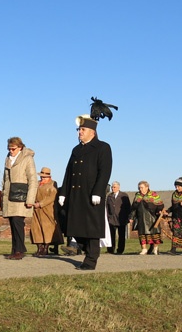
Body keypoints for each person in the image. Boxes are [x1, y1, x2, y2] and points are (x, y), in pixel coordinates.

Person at [58, 115, 112, 270]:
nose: (79, 132)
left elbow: (105, 172)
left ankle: (90, 260)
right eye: (78, 129)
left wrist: (98, 191)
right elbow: (69, 172)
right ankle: (88, 251)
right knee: (75, 226)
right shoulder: (76, 149)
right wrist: (63, 192)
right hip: (75, 195)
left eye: (83, 129)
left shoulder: (103, 147)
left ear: (92, 132)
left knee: (91, 228)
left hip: (91, 194)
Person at [0, 137, 38, 260]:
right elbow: (5, 180)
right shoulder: (8, 159)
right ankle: (14, 249)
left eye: (13, 149)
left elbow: (33, 179)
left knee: (18, 223)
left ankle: (20, 250)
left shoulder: (27, 159)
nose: (11, 151)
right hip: (9, 197)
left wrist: (30, 199)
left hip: (21, 197)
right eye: (9, 149)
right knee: (12, 224)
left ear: (20, 147)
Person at [30, 167, 64, 257]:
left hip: (48, 209)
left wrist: (41, 204)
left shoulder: (53, 184)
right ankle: (39, 248)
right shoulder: (37, 184)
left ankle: (46, 248)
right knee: (36, 229)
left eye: (44, 177)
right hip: (36, 210)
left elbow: (52, 197)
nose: (42, 178)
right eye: (41, 176)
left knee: (47, 228)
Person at [129, 181, 164, 255]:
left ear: (147, 187)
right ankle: (144, 249)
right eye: (139, 187)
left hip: (152, 218)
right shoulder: (137, 196)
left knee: (154, 234)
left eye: (142, 187)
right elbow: (133, 208)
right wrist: (131, 217)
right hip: (141, 218)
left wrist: (159, 211)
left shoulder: (154, 195)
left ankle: (155, 248)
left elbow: (160, 205)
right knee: (142, 234)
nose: (140, 189)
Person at [105, 181, 131, 254]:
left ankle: (120, 250)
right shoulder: (109, 196)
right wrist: (107, 217)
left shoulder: (124, 195)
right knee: (111, 236)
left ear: (118, 187)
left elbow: (128, 207)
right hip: (111, 219)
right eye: (112, 187)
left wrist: (128, 217)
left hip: (121, 219)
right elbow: (107, 207)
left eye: (114, 187)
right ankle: (110, 250)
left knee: (121, 236)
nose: (113, 188)